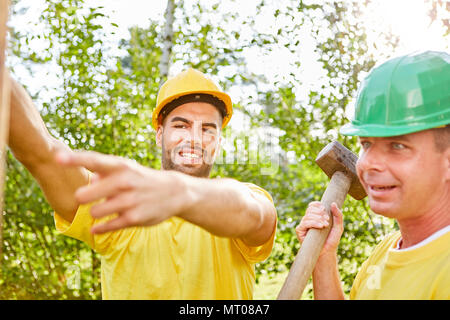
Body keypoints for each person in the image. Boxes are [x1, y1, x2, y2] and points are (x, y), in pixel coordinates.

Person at [8, 68, 277, 299]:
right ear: (160, 135)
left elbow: (254, 216)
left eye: (208, 129)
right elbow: (41, 151)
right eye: (181, 126)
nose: (194, 138)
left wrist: (179, 191)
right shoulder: (120, 204)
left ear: (218, 142)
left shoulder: (245, 197)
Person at [296, 50, 450, 299]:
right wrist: (323, 258)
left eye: (398, 146)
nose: (368, 163)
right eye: (366, 143)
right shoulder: (387, 249)